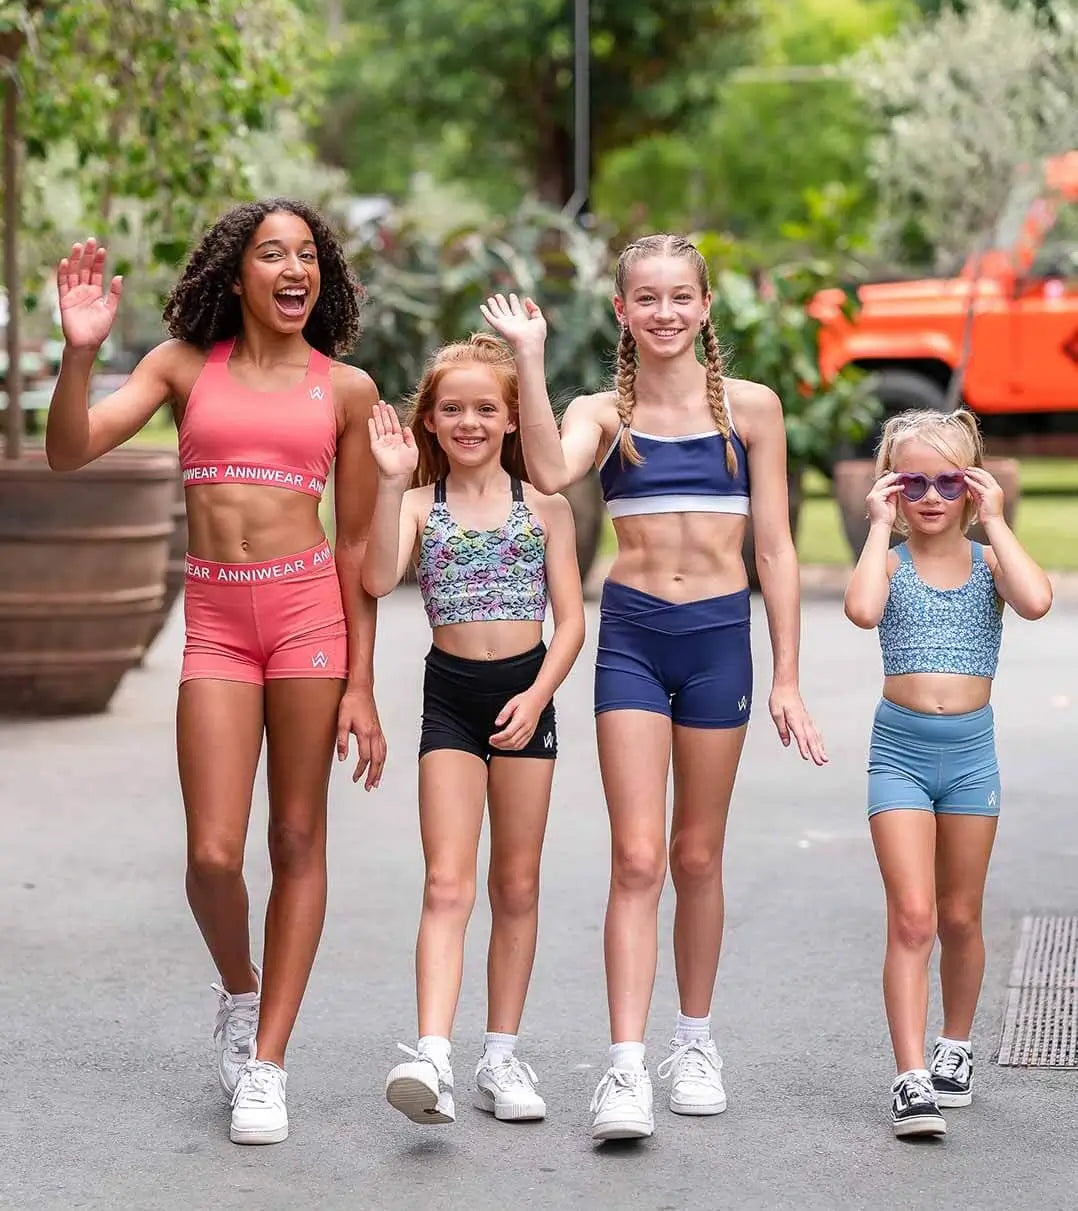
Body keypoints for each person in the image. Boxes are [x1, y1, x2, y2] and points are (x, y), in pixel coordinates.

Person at [44, 200, 387, 1146]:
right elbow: (68, 450)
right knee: (213, 856)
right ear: (236, 274)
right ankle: (241, 992)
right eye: (272, 253)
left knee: (298, 834)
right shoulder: (182, 367)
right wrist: (79, 353)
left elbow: (357, 547)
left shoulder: (345, 389)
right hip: (220, 627)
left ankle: (267, 1062)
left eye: (307, 255)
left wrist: (362, 683)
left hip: (310, 619)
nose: (294, 269)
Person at [481, 233, 828, 1142]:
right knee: (636, 858)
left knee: (697, 856)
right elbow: (548, 470)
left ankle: (695, 1044)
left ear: (705, 306)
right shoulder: (604, 412)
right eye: (647, 298)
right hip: (633, 639)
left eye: (681, 296)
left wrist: (788, 674)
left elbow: (774, 549)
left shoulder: (753, 410)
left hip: (719, 642)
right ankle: (626, 1067)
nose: (664, 312)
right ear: (623, 310)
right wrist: (528, 357)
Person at [361, 332, 585, 1126]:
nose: (468, 422)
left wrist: (538, 694)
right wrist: (390, 483)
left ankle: (501, 1054)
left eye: (485, 408)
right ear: (428, 420)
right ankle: (432, 1055)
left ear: (512, 418)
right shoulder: (419, 505)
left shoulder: (545, 507)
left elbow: (570, 623)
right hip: (450, 700)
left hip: (526, 695)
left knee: (516, 884)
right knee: (446, 882)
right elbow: (376, 577)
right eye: (451, 409)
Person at [843, 409, 1052, 1139]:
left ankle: (954, 1046)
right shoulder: (889, 562)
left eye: (948, 481)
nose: (931, 496)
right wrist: (877, 527)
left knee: (961, 915)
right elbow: (861, 610)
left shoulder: (990, 562)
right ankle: (909, 1077)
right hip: (899, 753)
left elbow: (1037, 600)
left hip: (970, 758)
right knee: (913, 917)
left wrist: (995, 520)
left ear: (973, 485)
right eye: (913, 483)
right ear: (891, 489)